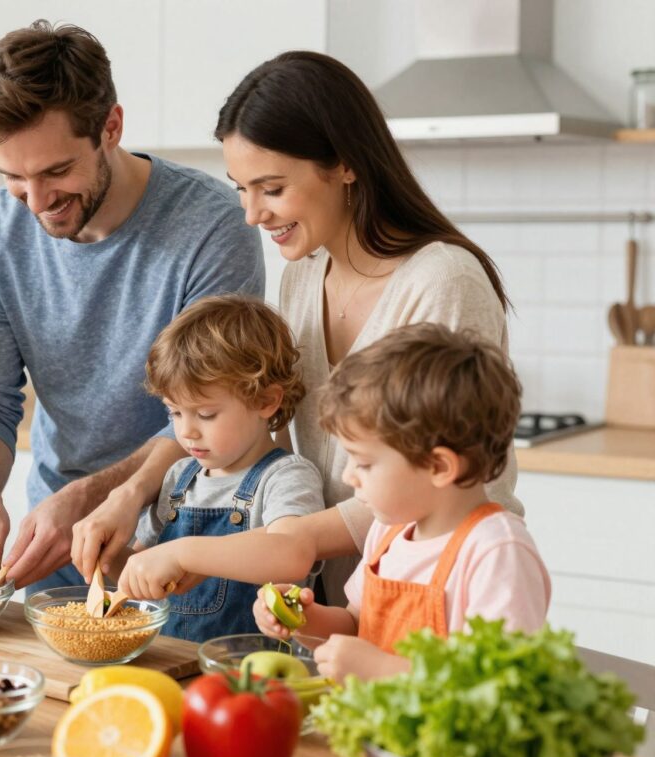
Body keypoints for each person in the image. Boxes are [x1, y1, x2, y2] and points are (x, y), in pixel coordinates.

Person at [73, 50, 521, 606]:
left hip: (438, 588)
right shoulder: (304, 277)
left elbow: (441, 483)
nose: (252, 215)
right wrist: (149, 504)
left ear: (346, 164)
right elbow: (274, 450)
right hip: (335, 602)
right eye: (241, 188)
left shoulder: (443, 282)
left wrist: (277, 544)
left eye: (272, 188)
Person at [0, 20, 264, 592]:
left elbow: (214, 408)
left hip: (188, 546)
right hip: (52, 545)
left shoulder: (211, 225)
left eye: (56, 171)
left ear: (111, 127)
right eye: (13, 177)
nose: (36, 203)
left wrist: (98, 495)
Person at [253, 324, 549, 681]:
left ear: (439, 466)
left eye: (364, 463)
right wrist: (303, 619)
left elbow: (501, 684)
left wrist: (380, 670)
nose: (349, 476)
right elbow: (354, 625)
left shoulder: (496, 551)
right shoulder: (389, 531)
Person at [112, 296, 323, 641]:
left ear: (266, 401)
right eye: (174, 413)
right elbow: (142, 577)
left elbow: (291, 554)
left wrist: (184, 554)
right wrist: (110, 560)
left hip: (248, 677)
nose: (186, 432)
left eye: (206, 414)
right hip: (170, 668)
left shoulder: (285, 477)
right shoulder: (179, 477)